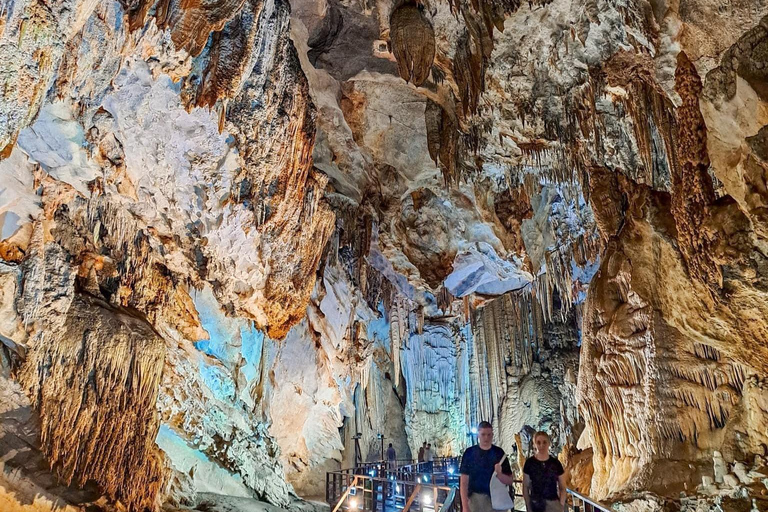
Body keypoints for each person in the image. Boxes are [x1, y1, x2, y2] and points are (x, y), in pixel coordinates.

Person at [460, 421, 513, 512]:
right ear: (478, 435)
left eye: (489, 435)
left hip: (497, 500)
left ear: (492, 435)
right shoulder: (469, 453)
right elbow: (464, 481)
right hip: (477, 500)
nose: (486, 438)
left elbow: (510, 480)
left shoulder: (499, 453)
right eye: (483, 434)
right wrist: (465, 506)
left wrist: (500, 474)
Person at [522, 431, 566, 512]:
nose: (541, 445)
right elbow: (525, 486)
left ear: (549, 443)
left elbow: (562, 487)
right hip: (536, 505)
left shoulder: (555, 463)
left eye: (544, 442)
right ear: (534, 444)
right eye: (538, 443)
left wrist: (560, 506)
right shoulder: (529, 463)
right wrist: (528, 507)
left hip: (553, 504)